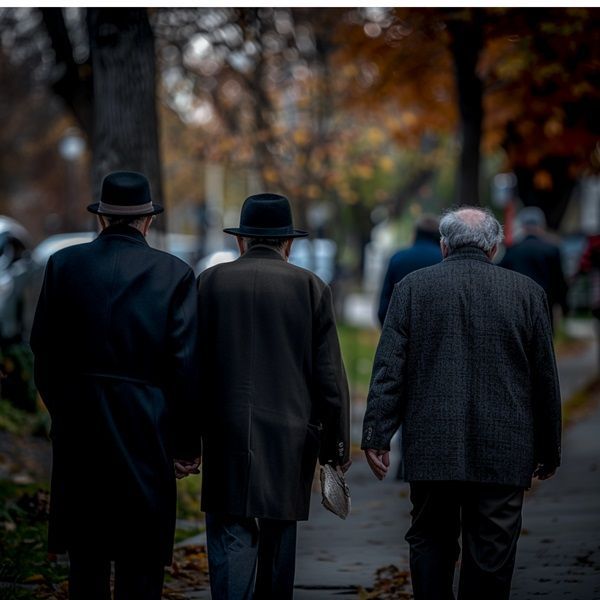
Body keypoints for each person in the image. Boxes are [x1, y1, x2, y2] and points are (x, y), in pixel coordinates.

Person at [362, 207, 561, 600]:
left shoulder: (412, 289)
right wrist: (548, 448)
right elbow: (544, 379)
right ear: (494, 248)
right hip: (505, 446)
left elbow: (389, 370)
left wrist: (377, 434)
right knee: (493, 551)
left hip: (433, 444)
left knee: (430, 542)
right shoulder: (527, 294)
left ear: (443, 245)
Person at [30, 171, 200, 600]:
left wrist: (64, 411)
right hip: (146, 431)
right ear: (147, 221)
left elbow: (44, 354)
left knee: (86, 562)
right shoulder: (175, 274)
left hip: (80, 433)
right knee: (140, 566)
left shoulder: (63, 265)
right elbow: (183, 367)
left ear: (102, 218)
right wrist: (184, 446)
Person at [195, 192, 350, 600]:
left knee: (229, 531)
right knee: (279, 537)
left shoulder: (210, 283)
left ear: (240, 241)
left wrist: (185, 439)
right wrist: (334, 447)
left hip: (224, 429)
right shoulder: (311, 287)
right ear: (289, 243)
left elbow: (191, 366)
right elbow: (329, 376)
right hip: (290, 432)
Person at [500, 206, 568, 328]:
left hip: (518, 305)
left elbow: (502, 276)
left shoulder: (512, 250)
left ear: (522, 226)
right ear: (541, 225)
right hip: (545, 304)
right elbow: (559, 280)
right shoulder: (552, 250)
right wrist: (564, 305)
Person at [377, 214, 442, 326]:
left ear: (416, 234)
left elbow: (385, 301)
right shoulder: (444, 259)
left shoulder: (398, 258)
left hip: (402, 328)